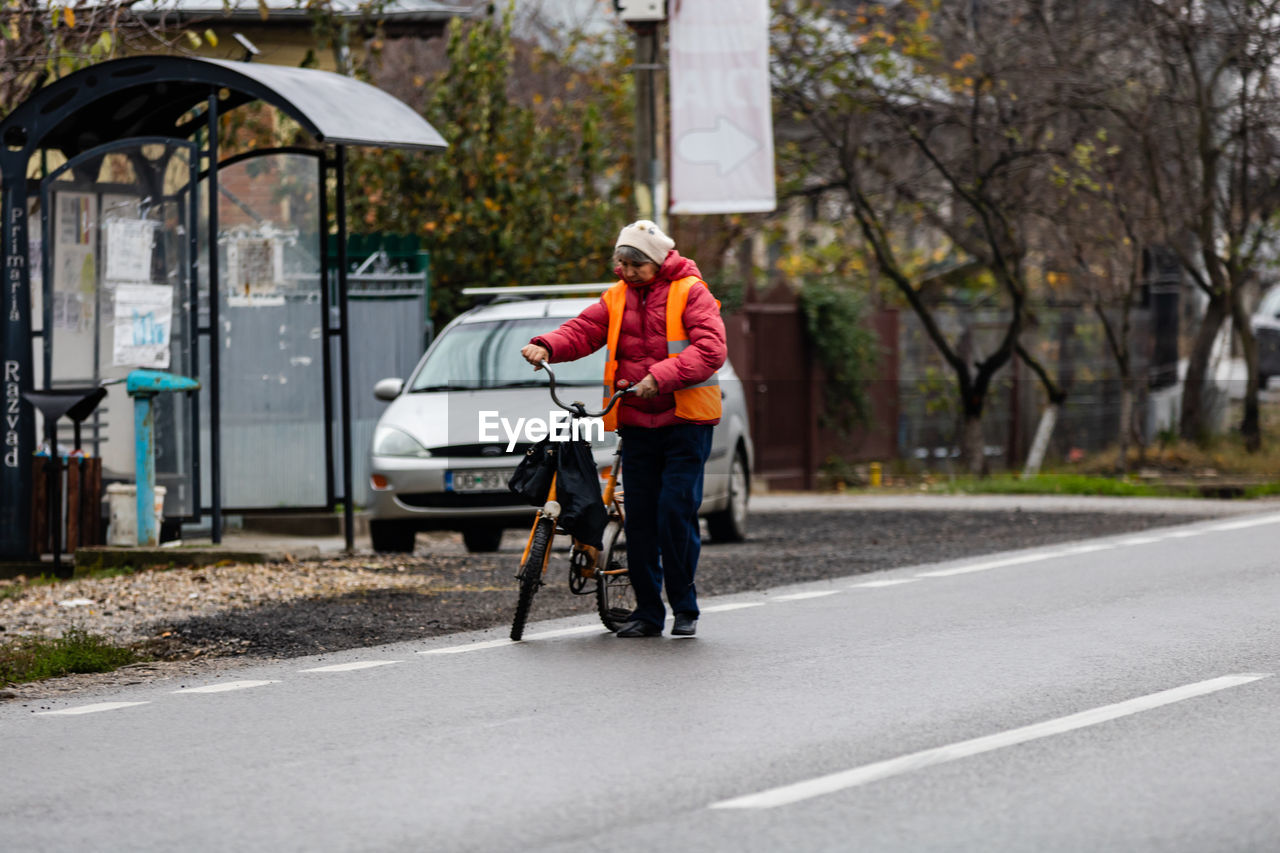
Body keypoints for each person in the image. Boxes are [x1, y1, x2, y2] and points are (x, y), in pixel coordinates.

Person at [520, 220, 726, 637]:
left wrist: (661, 376)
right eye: (622, 262)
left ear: (657, 261)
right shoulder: (615, 298)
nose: (627, 271)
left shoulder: (691, 292)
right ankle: (648, 613)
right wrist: (547, 345)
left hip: (685, 423)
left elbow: (711, 349)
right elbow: (584, 330)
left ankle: (685, 607)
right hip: (636, 422)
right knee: (641, 522)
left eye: (636, 263)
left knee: (674, 513)